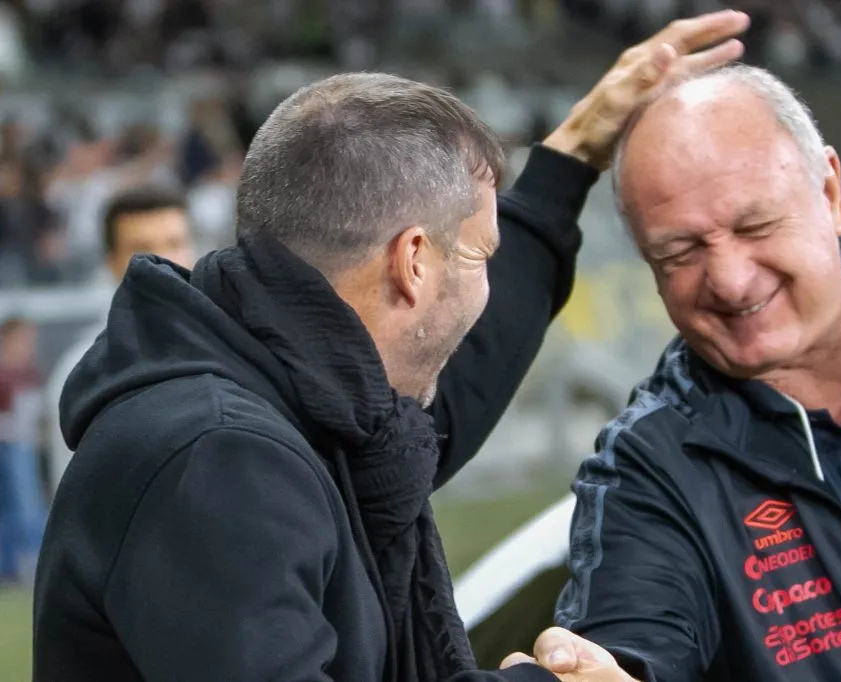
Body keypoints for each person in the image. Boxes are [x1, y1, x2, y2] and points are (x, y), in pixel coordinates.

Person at [32, 11, 750, 682]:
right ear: (412, 261)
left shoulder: (303, 407)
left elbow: (458, 392)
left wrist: (570, 158)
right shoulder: (217, 460)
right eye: (480, 256)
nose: (486, 289)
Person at [547, 65, 841, 681]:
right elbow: (631, 647)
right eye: (680, 253)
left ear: (830, 193)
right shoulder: (652, 472)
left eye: (755, 226)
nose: (730, 281)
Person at [43, 185, 197, 497]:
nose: (164, 260)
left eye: (175, 242)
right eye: (142, 249)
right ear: (111, 262)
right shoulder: (82, 371)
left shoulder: (231, 347)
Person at [0, 316, 47, 585]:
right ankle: (14, 563)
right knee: (16, 503)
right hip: (9, 442)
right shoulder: (6, 371)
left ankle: (31, 559)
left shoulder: (29, 370)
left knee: (26, 500)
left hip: (22, 442)